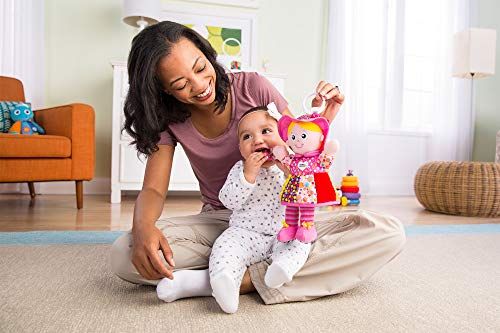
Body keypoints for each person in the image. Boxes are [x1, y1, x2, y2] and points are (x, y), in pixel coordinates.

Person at [111, 21, 406, 305]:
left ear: (207, 54)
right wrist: (143, 227)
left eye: (201, 68)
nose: (200, 85)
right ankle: (259, 267)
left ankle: (233, 280)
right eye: (181, 84)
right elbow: (153, 190)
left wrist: (321, 116)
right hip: (225, 220)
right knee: (125, 254)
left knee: (387, 232)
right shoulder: (170, 119)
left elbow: (299, 149)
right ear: (164, 89)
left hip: (287, 216)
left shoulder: (254, 87)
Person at [157, 105, 311, 313]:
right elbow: (229, 201)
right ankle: (224, 281)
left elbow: (309, 201)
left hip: (283, 234)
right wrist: (248, 176)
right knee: (225, 246)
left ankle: (281, 269)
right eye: (247, 137)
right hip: (245, 234)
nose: (257, 140)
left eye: (266, 131)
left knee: (302, 242)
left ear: (284, 137)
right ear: (240, 149)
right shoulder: (240, 169)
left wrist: (292, 176)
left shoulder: (293, 167)